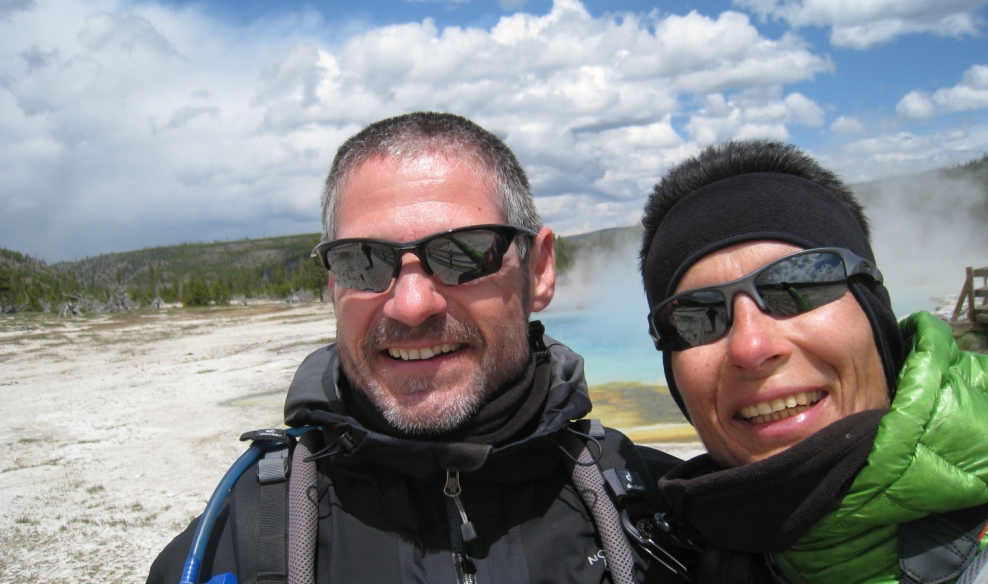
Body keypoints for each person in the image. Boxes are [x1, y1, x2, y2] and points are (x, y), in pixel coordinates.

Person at [147, 112, 681, 584]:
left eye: (461, 253)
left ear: (539, 270)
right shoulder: (237, 542)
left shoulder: (661, 509)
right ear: (334, 287)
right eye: (364, 260)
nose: (410, 304)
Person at [637, 139, 988, 583]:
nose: (751, 347)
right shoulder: (675, 556)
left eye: (799, 284)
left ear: (876, 310)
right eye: (699, 317)